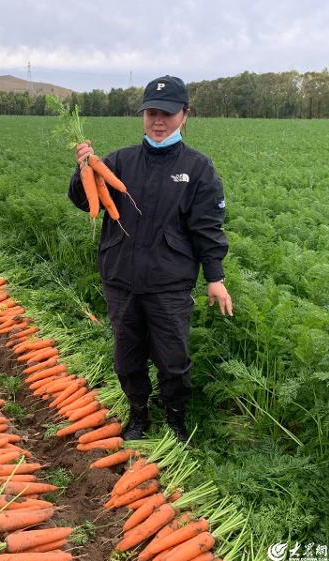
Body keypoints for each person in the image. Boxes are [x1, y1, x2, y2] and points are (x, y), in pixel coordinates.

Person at [68, 75, 233, 443]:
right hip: (121, 280)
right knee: (127, 358)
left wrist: (215, 276)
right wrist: (82, 169)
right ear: (143, 115)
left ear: (185, 115)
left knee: (173, 360)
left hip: (169, 285)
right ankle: (138, 414)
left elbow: (208, 228)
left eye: (168, 114)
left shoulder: (197, 168)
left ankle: (175, 417)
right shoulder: (119, 162)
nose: (158, 121)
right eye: (151, 113)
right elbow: (84, 201)